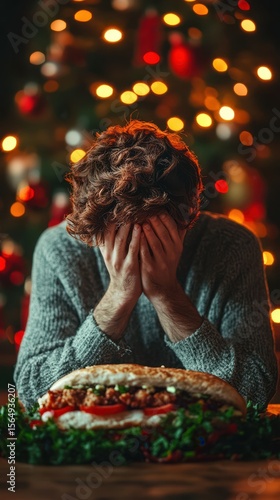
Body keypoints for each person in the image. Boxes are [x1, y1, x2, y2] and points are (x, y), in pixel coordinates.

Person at [14, 120, 278, 410]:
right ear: (94, 230)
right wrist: (117, 299)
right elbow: (32, 390)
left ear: (188, 217)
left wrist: (167, 296)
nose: (135, 252)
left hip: (204, 447)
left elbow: (254, 392)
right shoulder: (59, 250)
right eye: (120, 238)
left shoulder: (232, 246)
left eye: (153, 235)